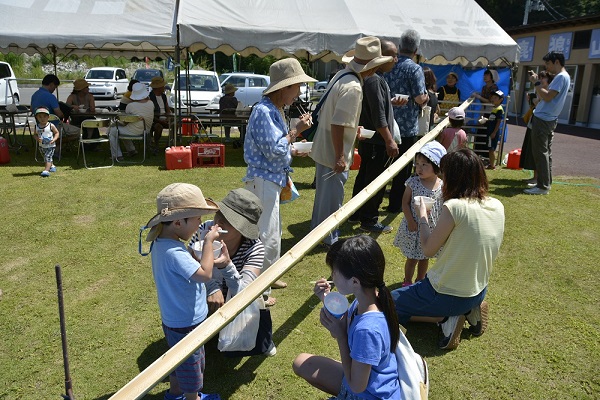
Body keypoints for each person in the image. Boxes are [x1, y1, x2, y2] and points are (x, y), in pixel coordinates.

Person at [391, 148, 505, 350]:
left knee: (386, 304)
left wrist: (423, 215)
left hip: (445, 293)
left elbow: (427, 250)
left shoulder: (455, 207)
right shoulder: (497, 205)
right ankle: (470, 310)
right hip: (478, 290)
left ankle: (446, 319)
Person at [243, 58, 315, 305]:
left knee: (273, 232)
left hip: (269, 179)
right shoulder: (264, 111)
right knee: (267, 236)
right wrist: (297, 131)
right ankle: (259, 291)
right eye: (297, 88)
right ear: (284, 88)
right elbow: (274, 149)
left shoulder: (273, 110)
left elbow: (275, 148)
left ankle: (268, 276)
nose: (298, 93)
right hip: (263, 180)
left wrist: (293, 149)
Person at [292, 235, 400, 399]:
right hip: (370, 380)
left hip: (369, 394)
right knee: (301, 362)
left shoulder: (368, 330)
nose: (331, 277)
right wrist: (326, 298)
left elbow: (357, 387)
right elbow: (346, 328)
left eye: (334, 272)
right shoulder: (368, 299)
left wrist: (341, 337)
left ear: (355, 282)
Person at [142, 183, 222, 400]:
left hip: (173, 319)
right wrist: (208, 243)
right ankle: (192, 397)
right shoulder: (175, 253)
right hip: (187, 321)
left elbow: (188, 268)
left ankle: (175, 393)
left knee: (178, 361)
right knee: (192, 366)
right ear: (178, 222)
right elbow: (205, 274)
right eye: (196, 220)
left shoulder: (162, 243)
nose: (198, 225)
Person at [310, 36, 393, 246]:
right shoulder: (354, 87)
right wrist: (339, 156)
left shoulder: (342, 75)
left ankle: (319, 235)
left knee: (324, 198)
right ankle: (328, 238)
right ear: (373, 67)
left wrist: (352, 129)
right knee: (331, 199)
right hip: (333, 151)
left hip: (325, 146)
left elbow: (336, 118)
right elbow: (338, 124)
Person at [189, 188, 276, 356]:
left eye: (229, 220)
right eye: (220, 213)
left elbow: (244, 294)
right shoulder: (203, 231)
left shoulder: (254, 248)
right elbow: (188, 266)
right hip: (203, 296)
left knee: (249, 345)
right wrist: (211, 287)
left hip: (236, 301)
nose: (218, 222)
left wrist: (227, 266)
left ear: (242, 229)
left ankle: (263, 338)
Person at [348, 39, 401, 234]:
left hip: (371, 138)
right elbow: (378, 115)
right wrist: (389, 140)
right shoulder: (374, 79)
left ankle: (355, 212)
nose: (396, 59)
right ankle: (369, 219)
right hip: (376, 140)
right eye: (393, 55)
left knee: (364, 176)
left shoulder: (373, 78)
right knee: (375, 180)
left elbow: (377, 108)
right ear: (382, 57)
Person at [384, 29, 429, 213]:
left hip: (385, 123)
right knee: (402, 170)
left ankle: (370, 205)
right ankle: (395, 204)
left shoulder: (388, 64)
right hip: (406, 127)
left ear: (400, 45)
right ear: (416, 49)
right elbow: (419, 98)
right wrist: (426, 97)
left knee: (381, 167)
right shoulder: (414, 68)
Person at [394, 141, 446, 287]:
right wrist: (410, 220)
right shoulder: (413, 182)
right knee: (411, 258)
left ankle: (420, 280)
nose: (419, 168)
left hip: (429, 229)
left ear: (436, 165)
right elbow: (405, 203)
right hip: (413, 227)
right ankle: (407, 281)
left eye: (424, 164)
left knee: (425, 257)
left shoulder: (442, 185)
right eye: (417, 164)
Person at [524, 51, 571, 195]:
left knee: (540, 152)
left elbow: (547, 96)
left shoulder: (560, 77)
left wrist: (536, 82)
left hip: (544, 119)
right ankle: (545, 183)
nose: (547, 67)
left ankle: (542, 186)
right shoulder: (565, 76)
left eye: (548, 64)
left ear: (557, 62)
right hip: (549, 118)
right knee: (546, 152)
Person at [520, 71, 555, 185]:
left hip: (542, 123)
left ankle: (540, 179)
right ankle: (536, 177)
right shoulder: (540, 90)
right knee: (533, 151)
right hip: (534, 122)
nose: (540, 80)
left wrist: (535, 99)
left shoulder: (548, 92)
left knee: (540, 151)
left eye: (543, 78)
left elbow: (541, 101)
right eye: (539, 78)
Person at [108, 82, 154, 161]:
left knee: (112, 131)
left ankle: (117, 155)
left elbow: (125, 120)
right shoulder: (151, 103)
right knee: (121, 129)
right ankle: (131, 150)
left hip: (134, 130)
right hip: (146, 130)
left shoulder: (131, 106)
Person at [30, 74, 80, 147]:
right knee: (79, 132)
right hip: (54, 126)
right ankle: (55, 143)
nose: (54, 89)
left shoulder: (34, 95)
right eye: (55, 87)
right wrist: (64, 114)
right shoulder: (51, 97)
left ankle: (52, 144)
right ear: (51, 84)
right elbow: (59, 114)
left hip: (40, 126)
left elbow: (32, 109)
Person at [66, 78, 99, 150]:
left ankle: (89, 140)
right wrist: (73, 106)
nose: (88, 88)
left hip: (88, 117)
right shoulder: (72, 97)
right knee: (90, 120)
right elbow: (66, 107)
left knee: (91, 120)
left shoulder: (90, 96)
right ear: (81, 89)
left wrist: (92, 108)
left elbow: (92, 108)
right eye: (86, 87)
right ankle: (88, 140)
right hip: (76, 118)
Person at [481, 90, 504, 169]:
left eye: (495, 97)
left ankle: (492, 165)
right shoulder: (494, 108)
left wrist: (494, 132)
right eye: (492, 97)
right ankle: (491, 164)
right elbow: (492, 119)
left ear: (500, 100)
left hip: (493, 132)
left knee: (491, 149)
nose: (493, 99)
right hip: (490, 130)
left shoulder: (499, 109)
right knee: (490, 148)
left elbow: (498, 121)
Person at [33, 107, 60, 177]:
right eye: (40, 117)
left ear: (48, 117)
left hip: (50, 145)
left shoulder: (51, 125)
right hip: (41, 145)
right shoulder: (37, 126)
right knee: (46, 156)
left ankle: (46, 170)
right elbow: (35, 135)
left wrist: (54, 139)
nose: (42, 119)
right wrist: (37, 138)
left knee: (47, 157)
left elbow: (57, 133)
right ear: (37, 118)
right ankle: (52, 166)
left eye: (44, 117)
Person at [149, 76, 172, 150]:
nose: (164, 87)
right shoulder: (150, 97)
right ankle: (156, 145)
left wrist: (168, 118)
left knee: (176, 124)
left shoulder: (163, 96)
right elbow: (150, 114)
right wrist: (161, 121)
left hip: (164, 118)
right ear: (159, 87)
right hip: (155, 120)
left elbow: (167, 109)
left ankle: (169, 144)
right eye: (163, 86)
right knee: (158, 127)